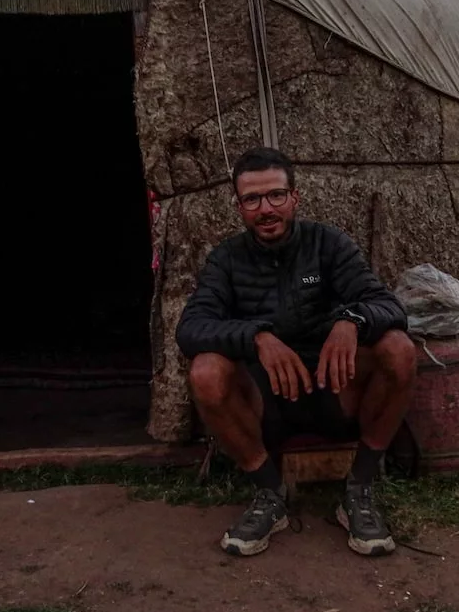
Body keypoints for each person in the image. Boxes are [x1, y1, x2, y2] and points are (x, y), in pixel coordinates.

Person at [176, 147, 417, 557]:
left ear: (294, 198)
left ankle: (359, 490)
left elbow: (389, 306)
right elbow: (191, 329)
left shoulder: (328, 244)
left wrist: (350, 322)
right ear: (239, 207)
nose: (265, 208)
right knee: (205, 371)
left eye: (275, 195)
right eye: (252, 199)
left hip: (334, 388)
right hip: (264, 402)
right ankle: (269, 493)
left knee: (398, 348)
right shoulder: (227, 260)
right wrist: (258, 337)